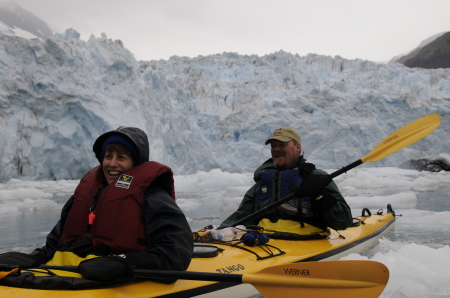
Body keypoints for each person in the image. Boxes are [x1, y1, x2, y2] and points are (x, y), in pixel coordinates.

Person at [0, 127, 193, 284]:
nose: (112, 163)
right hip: (65, 272)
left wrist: (127, 264)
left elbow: (175, 253)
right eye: (108, 156)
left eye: (122, 158)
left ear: (136, 164)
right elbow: (56, 241)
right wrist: (37, 257)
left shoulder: (153, 196)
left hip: (113, 278)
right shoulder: (87, 192)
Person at [219, 127, 353, 238]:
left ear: (297, 147)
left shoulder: (315, 177)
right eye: (273, 146)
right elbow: (243, 215)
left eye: (282, 145)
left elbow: (343, 222)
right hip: (266, 240)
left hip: (308, 240)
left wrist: (320, 196)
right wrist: (220, 231)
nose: (276, 149)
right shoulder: (264, 181)